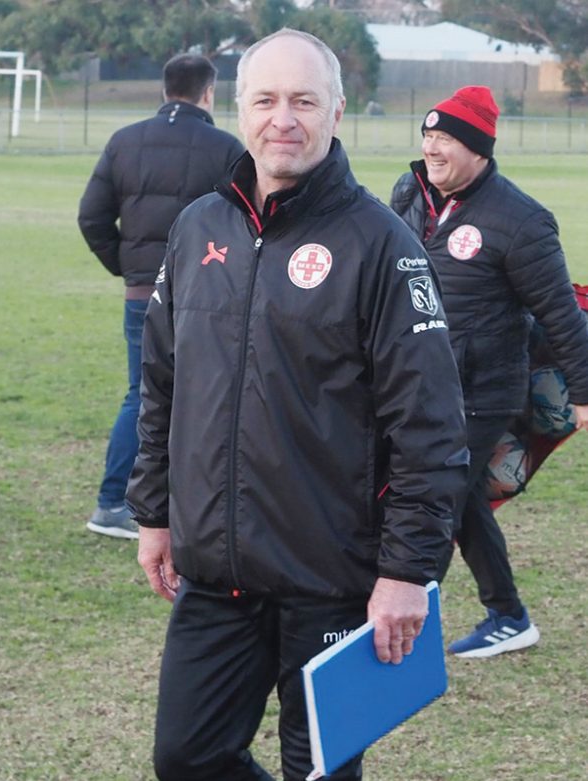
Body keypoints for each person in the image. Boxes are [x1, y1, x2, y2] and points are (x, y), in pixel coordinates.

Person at [126, 30, 469, 780]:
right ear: (238, 110)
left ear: (337, 112)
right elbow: (160, 383)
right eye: (267, 100)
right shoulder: (197, 228)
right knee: (186, 757)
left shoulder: (382, 245)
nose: (284, 118)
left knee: (319, 771)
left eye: (304, 100)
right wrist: (154, 511)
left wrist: (407, 570)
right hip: (217, 573)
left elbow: (432, 427)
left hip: (333, 577)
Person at [390, 85, 588, 658]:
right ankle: (508, 614)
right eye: (427, 136)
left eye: (446, 138)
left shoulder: (522, 220)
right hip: (416, 381)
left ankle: (403, 634)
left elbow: (559, 312)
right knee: (465, 499)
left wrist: (583, 392)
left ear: (477, 148)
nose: (432, 148)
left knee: (434, 500)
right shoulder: (410, 191)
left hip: (481, 389)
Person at [77, 54, 243, 539]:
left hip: (141, 293)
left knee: (143, 394)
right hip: (205, 297)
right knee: (208, 397)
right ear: (209, 93)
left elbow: (92, 217)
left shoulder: (124, 141)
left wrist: (129, 269)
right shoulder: (225, 147)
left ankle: (113, 504)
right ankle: (189, 505)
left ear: (165, 88)